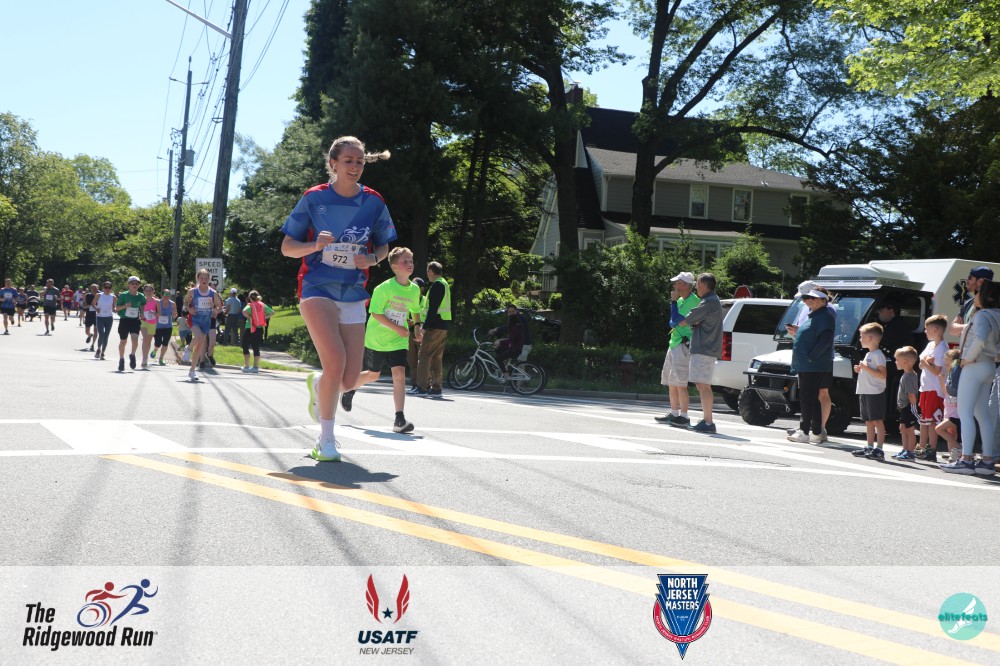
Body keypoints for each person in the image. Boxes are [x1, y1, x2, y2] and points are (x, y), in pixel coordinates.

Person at [280, 135, 395, 462]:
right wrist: (315, 245)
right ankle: (326, 440)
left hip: (353, 292)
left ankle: (319, 386)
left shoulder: (373, 202)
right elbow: (287, 248)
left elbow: (384, 245)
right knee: (335, 361)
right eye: (348, 161)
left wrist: (372, 259)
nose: (355, 166)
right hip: (316, 288)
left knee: (348, 378)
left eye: (359, 161)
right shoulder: (314, 198)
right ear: (333, 164)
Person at [341, 248, 422, 433]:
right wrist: (398, 328)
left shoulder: (414, 289)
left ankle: (399, 419)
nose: (410, 264)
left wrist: (417, 327)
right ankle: (349, 389)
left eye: (411, 261)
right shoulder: (384, 288)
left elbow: (415, 310)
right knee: (373, 375)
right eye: (405, 261)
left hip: (398, 340)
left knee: (399, 374)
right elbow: (375, 313)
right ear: (394, 266)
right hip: (376, 339)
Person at [941, 279, 1000, 476]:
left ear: (985, 296)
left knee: (965, 412)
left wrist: (968, 358)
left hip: (974, 365)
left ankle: (966, 459)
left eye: (978, 293)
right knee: (982, 415)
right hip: (989, 365)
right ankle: (987, 461)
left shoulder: (982, 315)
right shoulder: (997, 315)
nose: (974, 296)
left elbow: (980, 338)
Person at [671, 272, 722, 434]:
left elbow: (684, 320)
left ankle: (708, 422)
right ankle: (707, 420)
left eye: (698, 284)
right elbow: (695, 320)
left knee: (703, 385)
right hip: (706, 348)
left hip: (704, 348)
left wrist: (674, 303)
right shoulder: (712, 301)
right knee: (702, 384)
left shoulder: (708, 302)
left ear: (704, 286)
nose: (696, 287)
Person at [788, 286, 835, 443]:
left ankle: (804, 431)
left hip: (813, 365)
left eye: (812, 298)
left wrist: (812, 357)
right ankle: (816, 432)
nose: (808, 300)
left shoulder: (825, 316)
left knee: (807, 398)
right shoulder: (815, 316)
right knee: (811, 398)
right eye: (806, 298)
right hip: (807, 364)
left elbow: (826, 340)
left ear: (823, 300)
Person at [655, 271, 700, 426]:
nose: (675, 286)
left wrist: (673, 302)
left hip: (683, 344)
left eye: (677, 283)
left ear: (685, 285)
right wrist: (675, 304)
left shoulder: (693, 301)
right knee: (672, 382)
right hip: (674, 343)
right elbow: (672, 322)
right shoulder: (680, 299)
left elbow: (675, 319)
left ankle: (684, 416)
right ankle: (674, 413)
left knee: (680, 383)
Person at [413, 261, 450, 398]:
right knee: (436, 358)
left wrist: (424, 328)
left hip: (434, 326)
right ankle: (436, 388)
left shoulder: (437, 285)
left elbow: (432, 309)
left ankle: (422, 387)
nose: (427, 274)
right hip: (443, 326)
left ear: (431, 272)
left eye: (428, 271)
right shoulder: (444, 284)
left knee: (424, 356)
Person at [851, 322, 887, 460]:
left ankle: (879, 449)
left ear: (870, 338)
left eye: (862, 336)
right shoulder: (869, 354)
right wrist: (860, 369)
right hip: (866, 391)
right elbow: (870, 371)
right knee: (868, 421)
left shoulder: (878, 355)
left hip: (874, 392)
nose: (860, 339)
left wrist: (865, 368)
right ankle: (870, 446)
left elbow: (882, 374)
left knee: (877, 420)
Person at [915, 314, 948, 462]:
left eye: (927, 329)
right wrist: (927, 362)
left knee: (933, 421)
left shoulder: (942, 348)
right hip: (925, 387)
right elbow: (920, 362)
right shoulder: (930, 345)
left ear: (935, 329)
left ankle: (931, 449)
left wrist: (926, 363)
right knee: (924, 420)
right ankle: (921, 447)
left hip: (935, 389)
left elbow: (936, 371)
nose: (925, 331)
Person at [183, 268, 223, 382]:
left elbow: (219, 307)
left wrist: (215, 310)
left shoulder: (213, 293)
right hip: (195, 318)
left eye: (206, 278)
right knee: (198, 336)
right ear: (198, 279)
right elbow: (186, 302)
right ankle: (188, 348)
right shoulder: (193, 291)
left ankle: (192, 371)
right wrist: (189, 309)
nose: (204, 280)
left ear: (209, 279)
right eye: (201, 278)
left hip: (206, 320)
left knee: (199, 346)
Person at [891, 347, 921, 460]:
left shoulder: (909, 377)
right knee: (902, 428)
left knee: (909, 429)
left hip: (908, 406)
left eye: (897, 360)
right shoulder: (907, 375)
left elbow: (911, 394)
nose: (895, 362)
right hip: (904, 407)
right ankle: (905, 449)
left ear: (905, 362)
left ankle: (910, 452)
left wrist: (913, 407)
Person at [949, 266, 993, 338]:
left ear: (981, 281)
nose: (966, 281)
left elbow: (983, 328)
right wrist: (970, 327)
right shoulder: (968, 303)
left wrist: (962, 328)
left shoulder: (993, 305)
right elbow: (952, 329)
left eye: (970, 278)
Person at [935, 348, 962, 464]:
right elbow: (946, 392)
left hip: (955, 412)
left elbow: (950, 392)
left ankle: (958, 447)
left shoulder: (957, 375)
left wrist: (942, 380)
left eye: (947, 363)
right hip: (949, 409)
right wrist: (942, 379)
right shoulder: (950, 375)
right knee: (951, 433)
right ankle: (953, 454)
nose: (946, 366)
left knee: (939, 429)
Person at [115, 276, 145, 372]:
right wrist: (125, 306)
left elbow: (143, 304)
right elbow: (117, 308)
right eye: (132, 283)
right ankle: (121, 359)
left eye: (136, 284)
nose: (134, 285)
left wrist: (142, 313)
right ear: (128, 285)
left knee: (135, 340)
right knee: (123, 341)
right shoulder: (124, 295)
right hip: (124, 320)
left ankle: (132, 355)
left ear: (139, 285)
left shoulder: (141, 296)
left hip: (135, 321)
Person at [241, 290, 273, 373]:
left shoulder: (250, 305)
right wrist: (263, 317)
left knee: (245, 345)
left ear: (250, 298)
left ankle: (246, 366)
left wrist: (250, 317)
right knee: (256, 347)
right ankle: (255, 367)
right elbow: (272, 312)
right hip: (260, 328)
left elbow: (244, 311)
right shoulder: (262, 305)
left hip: (250, 327)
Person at [406, 277, 428, 390]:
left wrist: (417, 323)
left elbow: (429, 317)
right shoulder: (407, 299)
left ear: (422, 289)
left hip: (422, 333)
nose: (413, 289)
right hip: (409, 333)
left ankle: (423, 385)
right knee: (412, 361)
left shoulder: (426, 301)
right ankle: (414, 385)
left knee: (422, 361)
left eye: (416, 287)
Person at [493, 305, 525, 381]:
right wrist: (500, 343)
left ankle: (505, 374)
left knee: (498, 359)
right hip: (515, 348)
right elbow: (511, 339)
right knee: (498, 349)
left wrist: (500, 342)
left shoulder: (515, 327)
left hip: (514, 349)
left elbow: (510, 340)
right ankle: (504, 367)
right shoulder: (518, 326)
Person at [93, 281, 116, 360]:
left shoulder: (113, 297)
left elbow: (116, 306)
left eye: (109, 287)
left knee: (106, 335)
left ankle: (103, 352)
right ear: (103, 288)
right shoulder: (99, 295)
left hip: (109, 318)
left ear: (111, 288)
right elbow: (93, 304)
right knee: (101, 334)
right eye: (106, 287)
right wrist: (96, 309)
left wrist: (115, 309)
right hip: (100, 317)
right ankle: (99, 349)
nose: (107, 289)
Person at [139, 284, 159, 369]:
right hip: (143, 321)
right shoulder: (142, 300)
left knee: (149, 341)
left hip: (153, 322)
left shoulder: (157, 301)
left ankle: (146, 356)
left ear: (153, 291)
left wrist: (154, 313)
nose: (148, 292)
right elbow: (138, 309)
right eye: (146, 290)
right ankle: (144, 358)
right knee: (145, 339)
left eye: (150, 290)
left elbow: (160, 313)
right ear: (144, 292)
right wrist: (141, 314)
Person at [154, 289, 175, 366]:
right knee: (158, 343)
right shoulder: (158, 302)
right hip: (158, 326)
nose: (166, 296)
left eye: (168, 294)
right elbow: (153, 311)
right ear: (162, 295)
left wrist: (174, 315)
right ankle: (155, 349)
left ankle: (161, 359)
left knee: (165, 343)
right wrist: (156, 314)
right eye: (165, 294)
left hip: (168, 326)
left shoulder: (173, 304)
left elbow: (174, 314)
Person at [83, 284, 98, 351]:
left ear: (97, 288)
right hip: (89, 314)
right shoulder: (87, 295)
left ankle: (93, 345)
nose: (94, 289)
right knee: (87, 331)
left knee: (96, 330)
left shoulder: (100, 295)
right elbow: (84, 305)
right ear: (90, 288)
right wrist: (88, 306)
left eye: (95, 288)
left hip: (97, 315)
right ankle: (89, 335)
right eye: (92, 288)